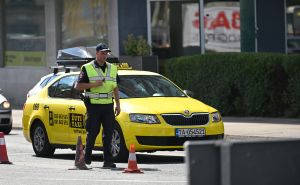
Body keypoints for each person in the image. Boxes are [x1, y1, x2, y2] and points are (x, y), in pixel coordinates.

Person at [75, 43, 121, 168]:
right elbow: (78, 86)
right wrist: (94, 84)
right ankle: (87, 156)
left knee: (109, 133)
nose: (105, 55)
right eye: (102, 53)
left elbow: (115, 87)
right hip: (93, 105)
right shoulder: (87, 68)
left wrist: (118, 104)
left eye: (106, 53)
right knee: (93, 131)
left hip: (108, 106)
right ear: (97, 53)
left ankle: (108, 160)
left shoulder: (113, 68)